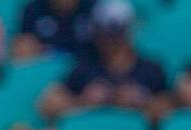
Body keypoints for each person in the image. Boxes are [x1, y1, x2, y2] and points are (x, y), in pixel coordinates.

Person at [37, 0, 172, 123]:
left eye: (115, 31)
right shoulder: (85, 67)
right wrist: (82, 102)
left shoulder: (151, 69)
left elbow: (171, 108)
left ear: (129, 31)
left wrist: (142, 102)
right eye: (102, 30)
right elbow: (47, 105)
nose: (109, 39)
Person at [13, 0, 97, 61]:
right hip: (47, 71)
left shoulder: (95, 8)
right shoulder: (34, 10)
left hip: (89, 72)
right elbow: (23, 46)